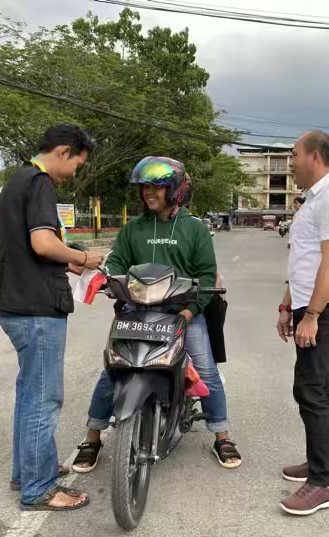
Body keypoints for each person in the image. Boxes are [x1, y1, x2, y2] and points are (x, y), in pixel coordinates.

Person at [72, 156, 242, 473]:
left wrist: (190, 313)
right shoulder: (133, 229)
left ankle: (222, 434)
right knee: (113, 370)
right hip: (137, 313)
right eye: (144, 187)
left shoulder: (194, 229)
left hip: (182, 313)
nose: (148, 192)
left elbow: (206, 276)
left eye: (156, 186)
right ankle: (92, 438)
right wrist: (109, 280)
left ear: (175, 189)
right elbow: (117, 263)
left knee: (206, 370)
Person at [0, 123, 104, 511]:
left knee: (29, 394)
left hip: (14, 303)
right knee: (43, 398)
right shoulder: (39, 182)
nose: (74, 171)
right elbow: (42, 243)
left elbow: (27, 248)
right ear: (63, 151)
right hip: (36, 309)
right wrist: (83, 257)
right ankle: (38, 488)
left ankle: (26, 472)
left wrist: (66, 263)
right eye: (77, 163)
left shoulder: (17, 181)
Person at [277, 131, 329, 516]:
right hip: (308, 304)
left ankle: (323, 482)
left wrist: (311, 315)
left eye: (294, 154)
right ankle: (326, 462)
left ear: (315, 156)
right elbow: (304, 260)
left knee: (310, 387)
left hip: (325, 307)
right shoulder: (313, 200)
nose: (290, 162)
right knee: (317, 386)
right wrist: (287, 304)